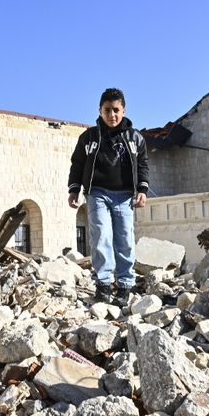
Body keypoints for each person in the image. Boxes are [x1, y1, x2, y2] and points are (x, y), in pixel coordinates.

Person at [67, 88, 149, 307]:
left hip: (124, 196)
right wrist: (73, 189)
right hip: (97, 193)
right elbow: (77, 164)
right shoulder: (89, 137)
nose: (112, 115)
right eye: (107, 110)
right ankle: (103, 284)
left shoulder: (135, 138)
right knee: (101, 234)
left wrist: (142, 189)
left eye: (116, 110)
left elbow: (142, 164)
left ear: (123, 110)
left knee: (124, 238)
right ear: (100, 111)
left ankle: (124, 285)